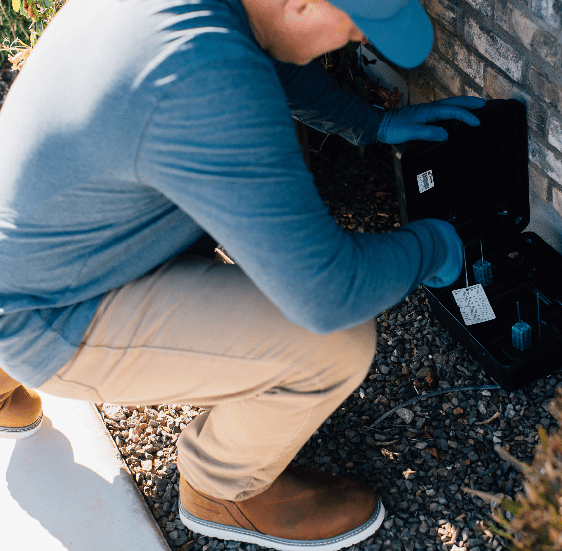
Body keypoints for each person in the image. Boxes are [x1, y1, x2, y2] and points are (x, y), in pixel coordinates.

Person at [0, 0, 485, 548]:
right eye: (354, 26)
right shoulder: (198, 77)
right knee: (333, 343)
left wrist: (369, 124)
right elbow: (329, 292)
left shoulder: (199, 18)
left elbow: (267, 60)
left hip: (37, 245)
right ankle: (224, 490)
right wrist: (433, 243)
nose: (356, 43)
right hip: (43, 312)